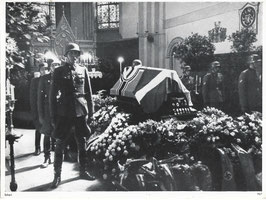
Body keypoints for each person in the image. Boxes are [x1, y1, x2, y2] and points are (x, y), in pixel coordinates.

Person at [49, 43, 95, 188]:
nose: (75, 57)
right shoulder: (58, 71)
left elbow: (88, 93)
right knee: (60, 143)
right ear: (65, 56)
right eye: (71, 54)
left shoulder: (83, 70)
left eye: (76, 54)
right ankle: (57, 176)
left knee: (82, 142)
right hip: (64, 112)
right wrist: (53, 115)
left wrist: (91, 112)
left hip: (80, 112)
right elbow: (52, 95)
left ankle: (83, 171)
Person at [37, 59, 60, 168]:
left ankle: (58, 157)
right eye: (53, 65)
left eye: (58, 64)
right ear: (50, 67)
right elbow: (39, 99)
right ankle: (47, 157)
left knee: (59, 134)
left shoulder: (62, 78)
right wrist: (41, 115)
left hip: (60, 110)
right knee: (47, 133)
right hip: (47, 110)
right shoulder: (45, 78)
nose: (56, 67)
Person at [29, 63, 46, 155]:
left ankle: (50, 146)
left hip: (46, 108)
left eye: (45, 69)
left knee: (48, 128)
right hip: (37, 108)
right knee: (38, 128)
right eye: (42, 69)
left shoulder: (49, 80)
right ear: (39, 70)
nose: (44, 71)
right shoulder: (35, 81)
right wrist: (34, 110)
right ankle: (37, 147)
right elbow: (32, 97)